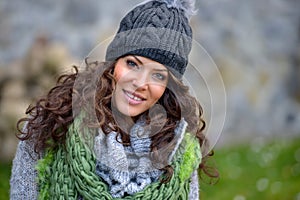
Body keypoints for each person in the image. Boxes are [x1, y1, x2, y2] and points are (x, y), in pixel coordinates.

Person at [10, 0, 218, 199]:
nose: (139, 83)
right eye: (132, 64)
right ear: (113, 63)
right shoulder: (50, 126)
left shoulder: (180, 151)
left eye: (158, 75)